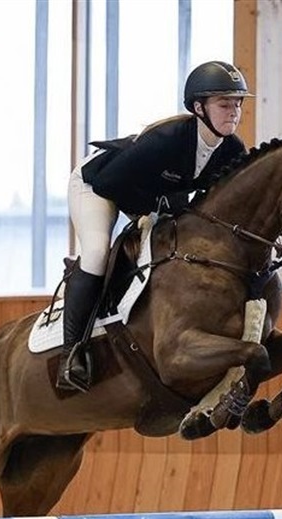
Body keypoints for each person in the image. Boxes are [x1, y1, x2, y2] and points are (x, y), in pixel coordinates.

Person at [58, 60, 253, 392]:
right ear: (199, 108)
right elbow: (109, 184)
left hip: (146, 193)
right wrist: (150, 210)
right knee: (96, 253)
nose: (234, 112)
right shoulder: (166, 139)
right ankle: (71, 354)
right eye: (224, 104)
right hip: (96, 186)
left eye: (237, 104)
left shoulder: (232, 150)